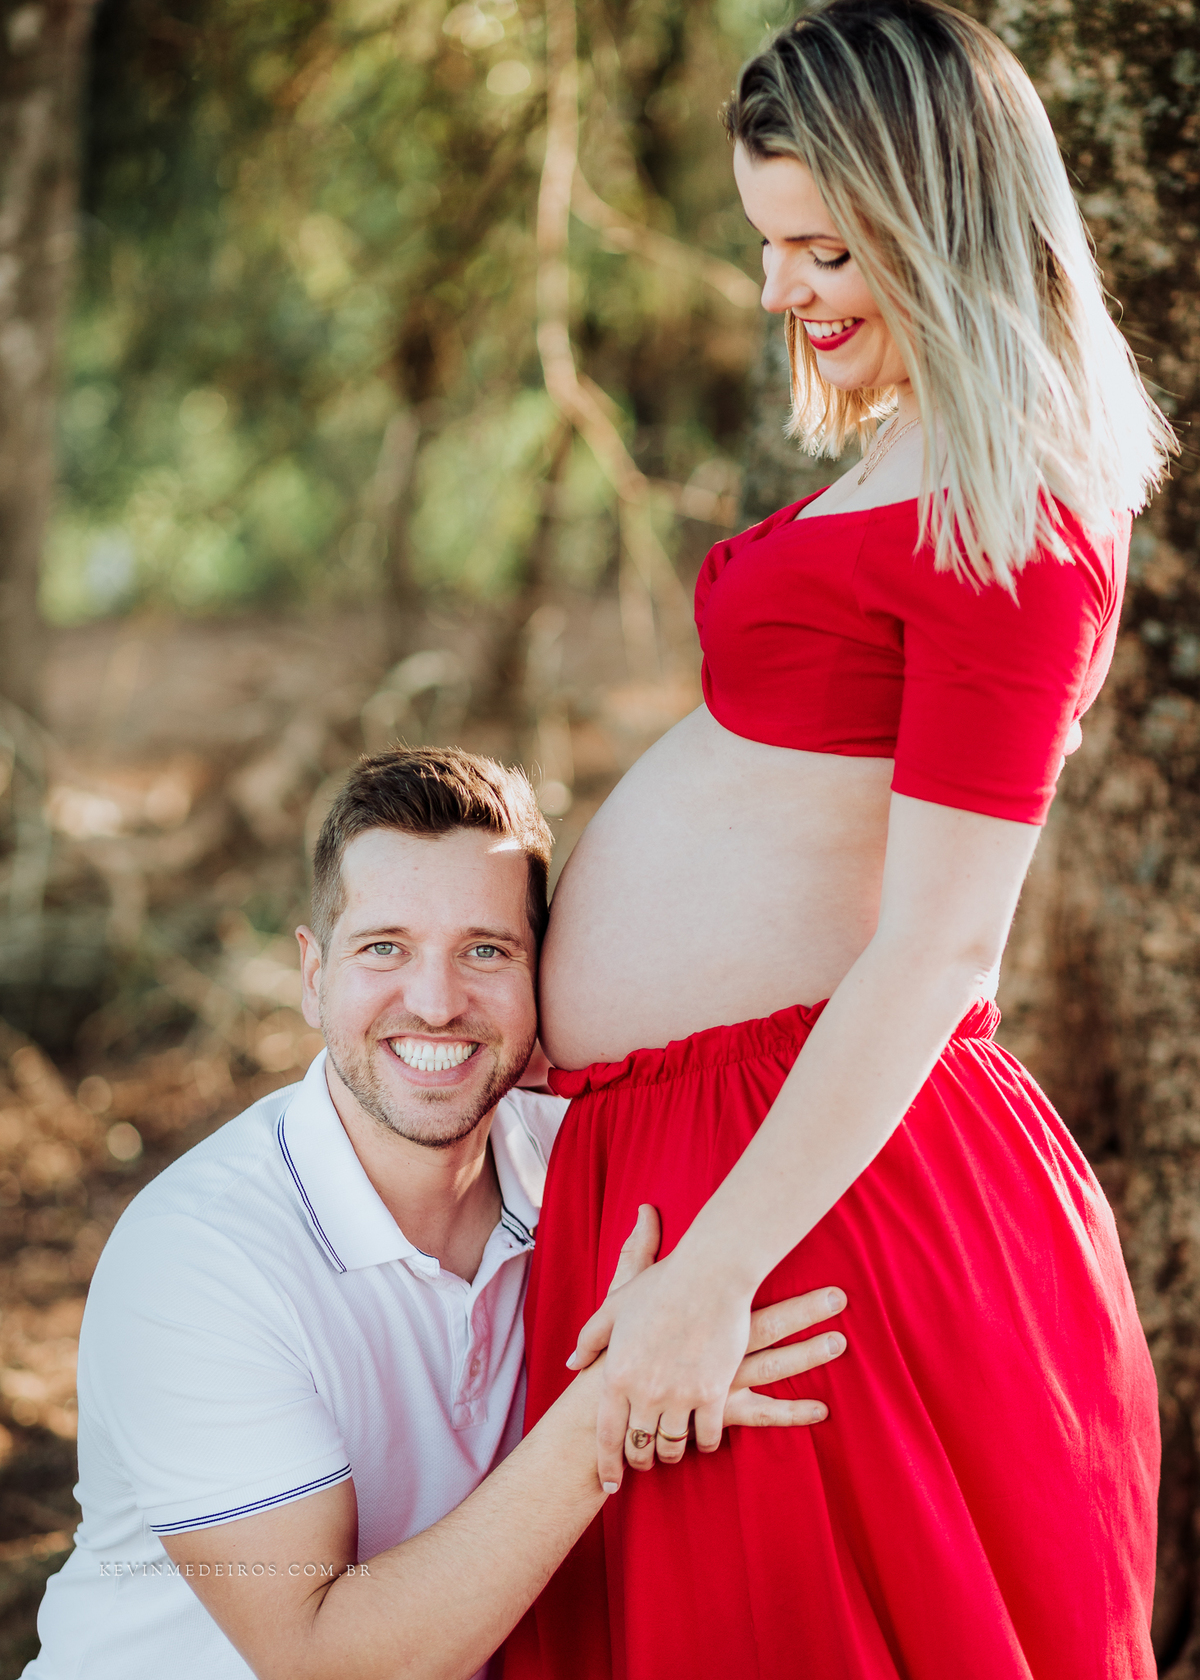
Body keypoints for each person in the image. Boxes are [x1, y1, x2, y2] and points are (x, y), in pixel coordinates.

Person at [504, 3, 1174, 1677]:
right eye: (767, 244)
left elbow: (947, 945)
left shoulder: (1013, 515)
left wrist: (713, 1270)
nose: (778, 290)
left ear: (935, 223)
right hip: (698, 1165)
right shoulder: (905, 462)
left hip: (806, 1202)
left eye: (819, 247)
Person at [23, 748, 847, 1680]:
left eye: (486, 951)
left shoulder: (586, 1167)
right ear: (311, 973)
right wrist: (614, 1401)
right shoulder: (198, 1260)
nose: (436, 1001)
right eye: (385, 948)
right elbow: (322, 1659)